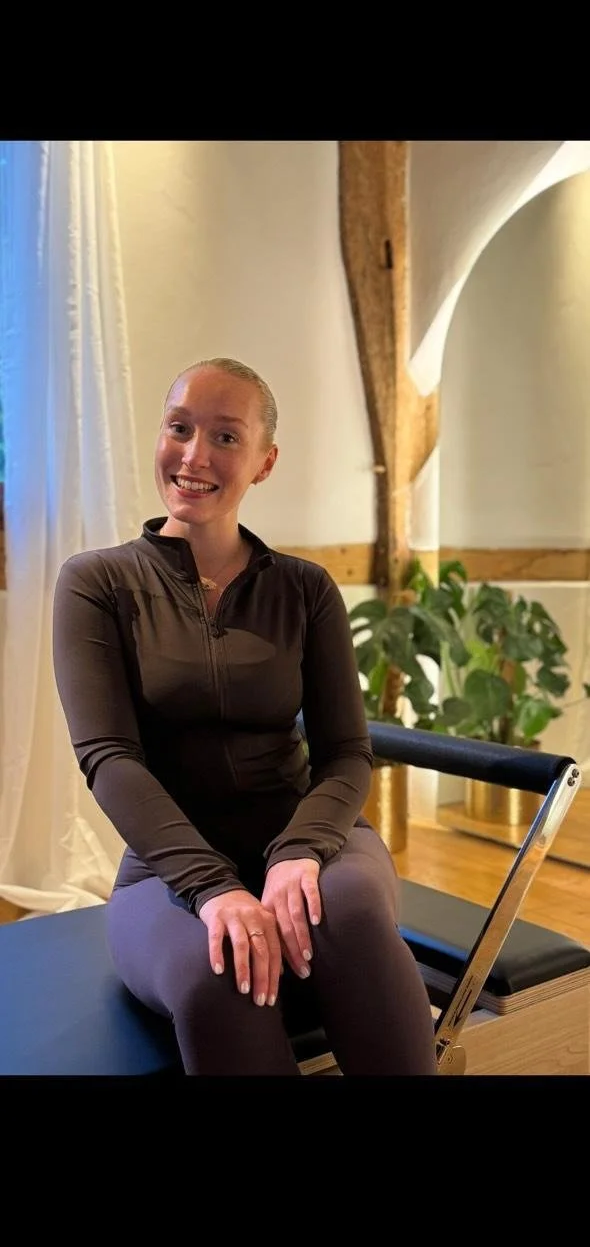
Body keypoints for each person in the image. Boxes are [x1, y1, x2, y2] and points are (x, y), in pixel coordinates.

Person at [52, 356, 437, 1076]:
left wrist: (300, 851)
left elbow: (347, 753)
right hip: (166, 875)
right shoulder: (96, 582)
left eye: (226, 437)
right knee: (219, 971)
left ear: (264, 462)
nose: (195, 454)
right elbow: (109, 758)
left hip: (318, 843)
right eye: (180, 428)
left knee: (347, 916)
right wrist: (214, 888)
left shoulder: (304, 589)